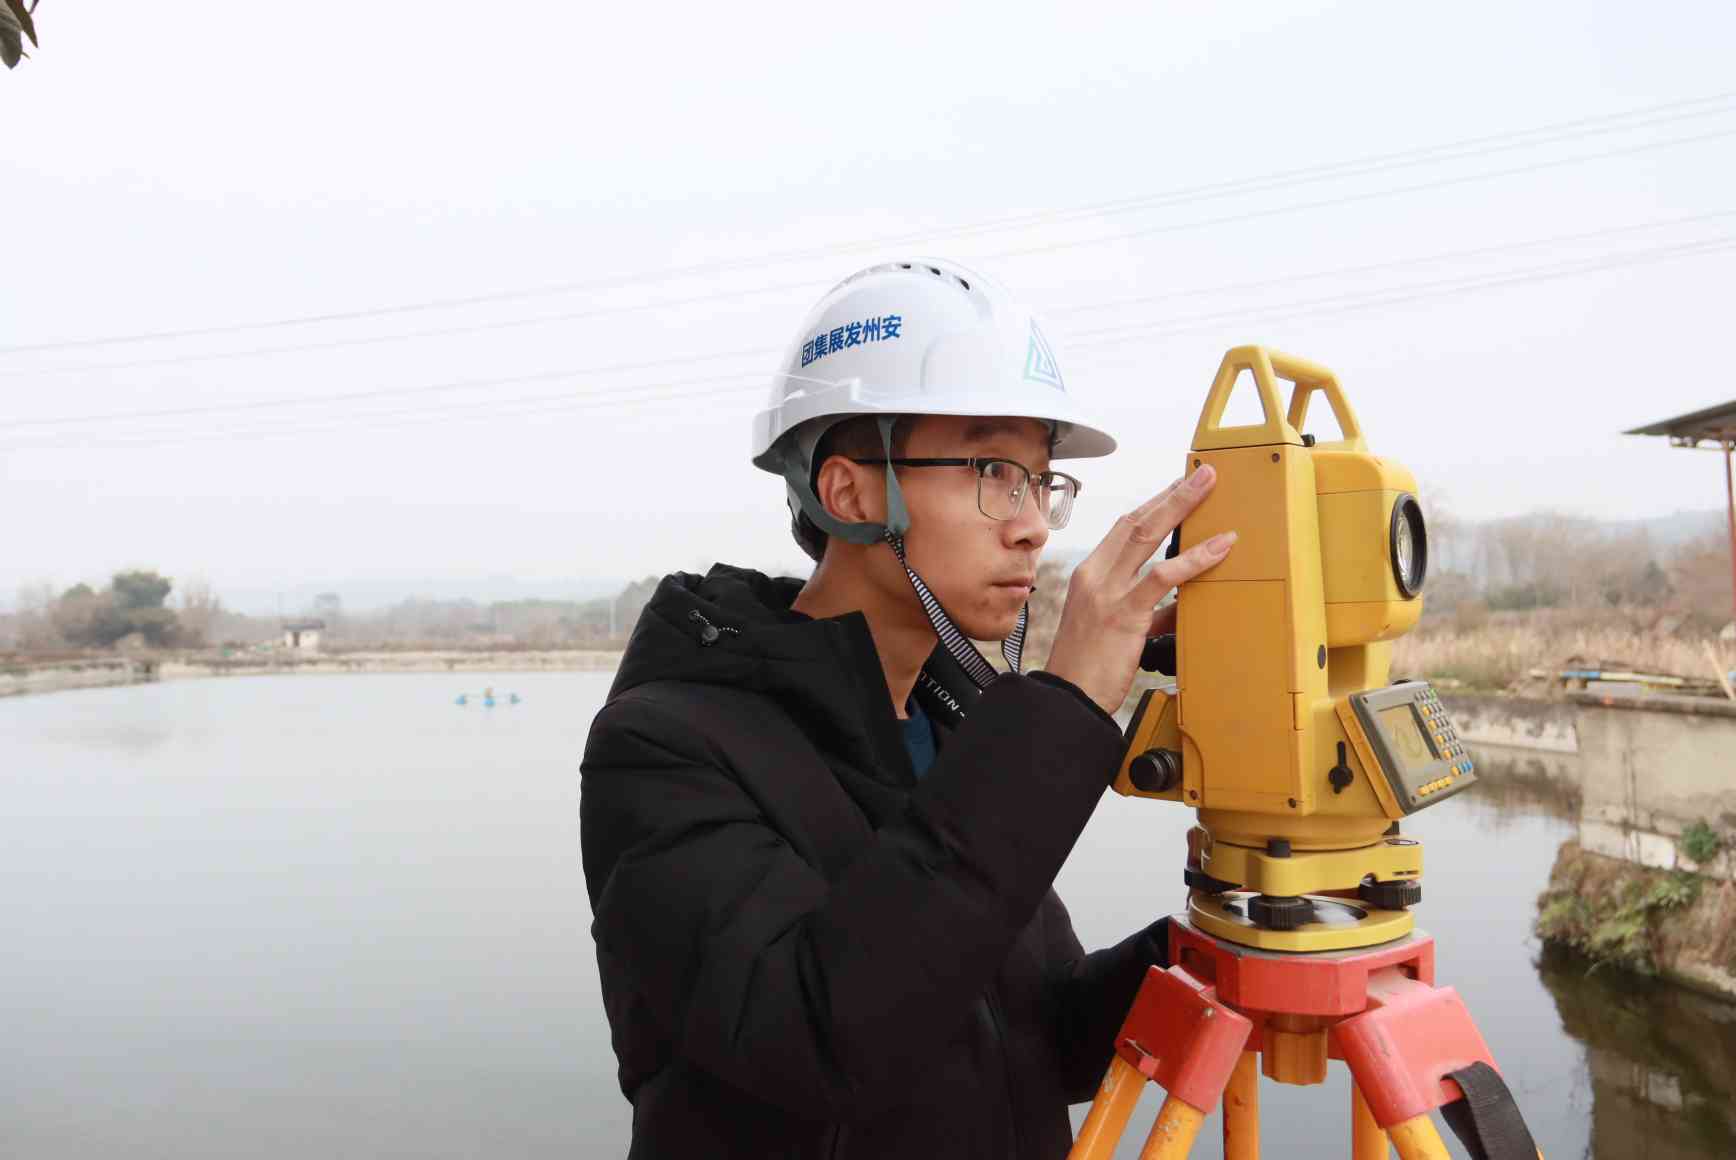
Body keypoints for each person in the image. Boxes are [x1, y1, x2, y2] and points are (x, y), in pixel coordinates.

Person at [580, 258, 1235, 1157]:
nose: (1032, 525)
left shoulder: (956, 724)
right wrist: (1067, 702)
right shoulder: (665, 747)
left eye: (1041, 481)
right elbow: (818, 1039)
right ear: (850, 492)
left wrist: (1211, 948)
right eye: (993, 471)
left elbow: (1034, 1031)